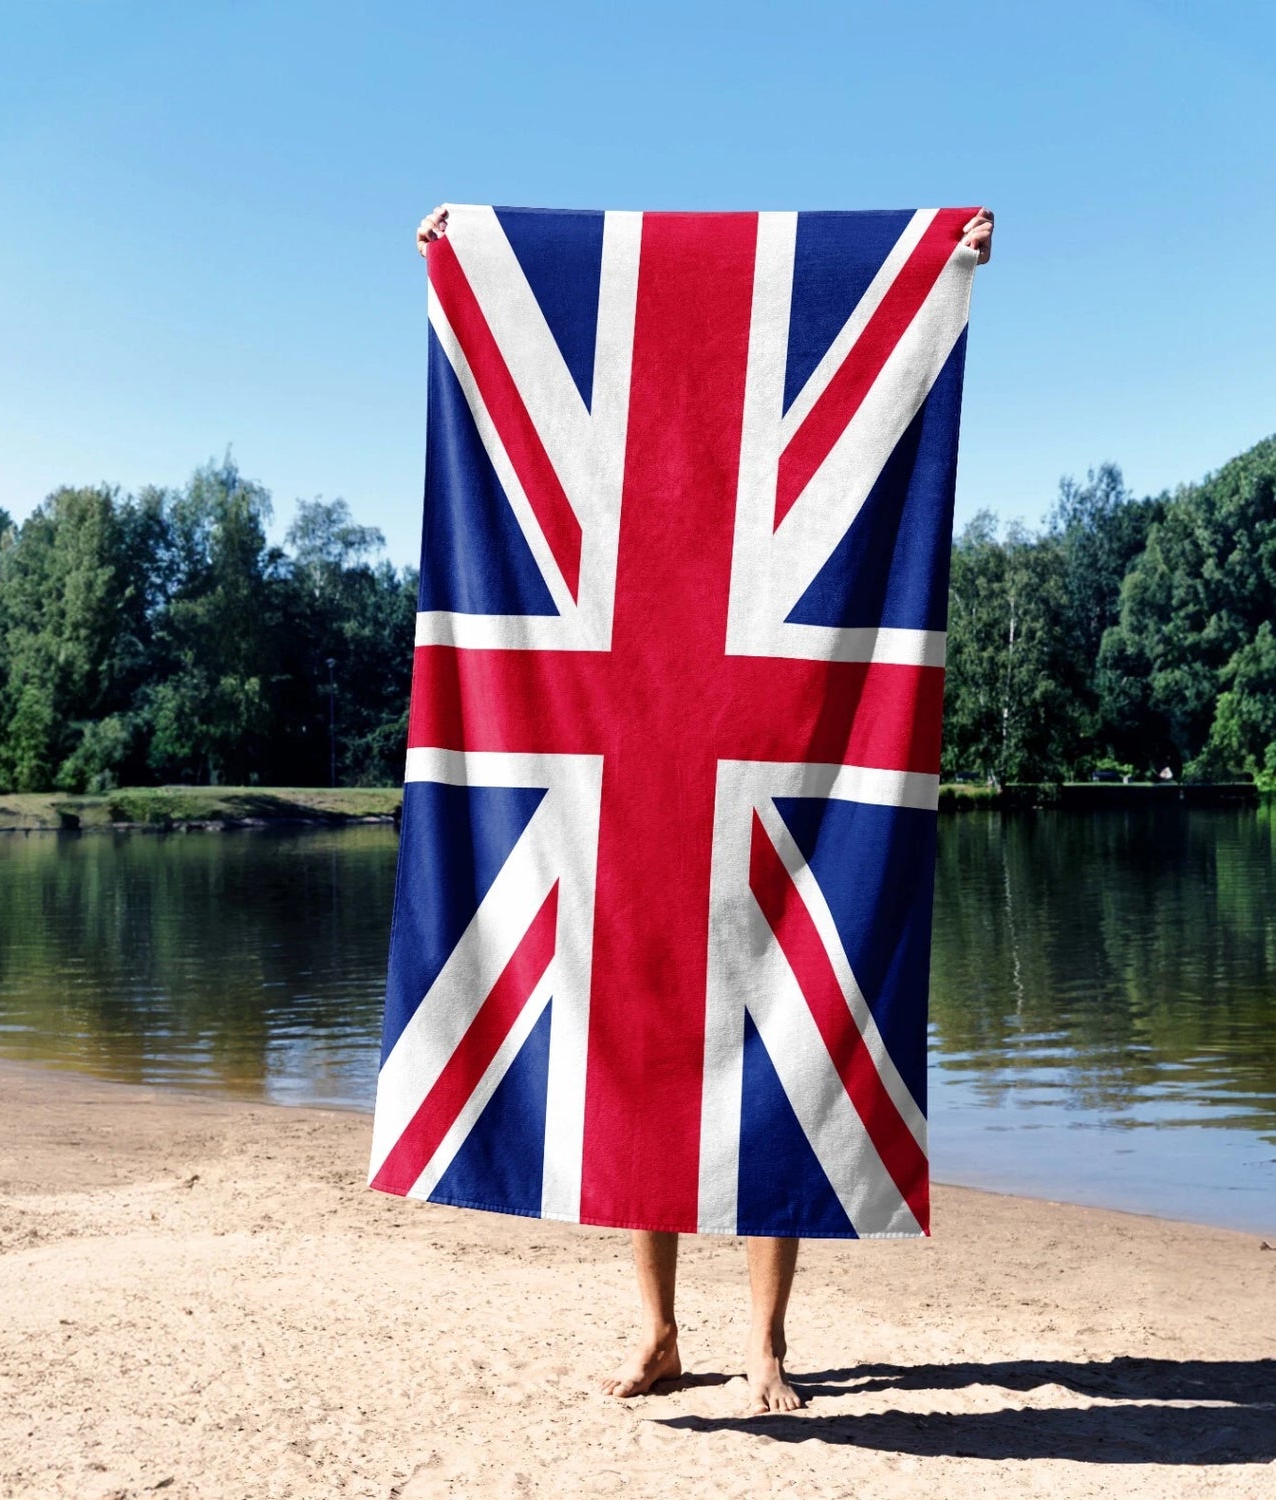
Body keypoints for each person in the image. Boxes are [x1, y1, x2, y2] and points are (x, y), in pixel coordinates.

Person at [412, 199, 995, 1413]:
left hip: (753, 845)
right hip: (629, 847)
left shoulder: (744, 550)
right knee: (637, 1094)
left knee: (769, 1098)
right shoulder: (628, 554)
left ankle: (772, 1346)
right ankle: (661, 1333)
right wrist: (464, 249)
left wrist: (943, 253)